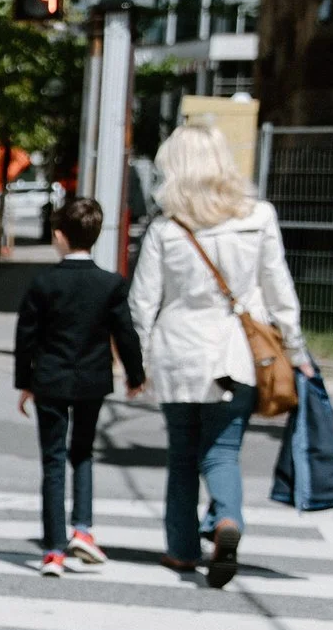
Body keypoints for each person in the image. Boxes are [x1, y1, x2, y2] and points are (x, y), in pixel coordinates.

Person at [129, 121, 311, 588]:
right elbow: (278, 288)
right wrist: (295, 348)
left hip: (178, 353)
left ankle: (183, 550)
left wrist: (137, 363)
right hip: (237, 353)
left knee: (182, 456)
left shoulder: (167, 228)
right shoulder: (259, 217)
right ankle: (227, 522)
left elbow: (143, 303)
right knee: (223, 452)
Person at [15, 196, 146, 578]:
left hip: (50, 380)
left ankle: (53, 550)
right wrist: (135, 376)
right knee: (83, 454)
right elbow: (126, 332)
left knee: (53, 460)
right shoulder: (110, 284)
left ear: (59, 236)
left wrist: (26, 382)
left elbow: (27, 337)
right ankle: (83, 531)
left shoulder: (43, 284)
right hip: (92, 380)